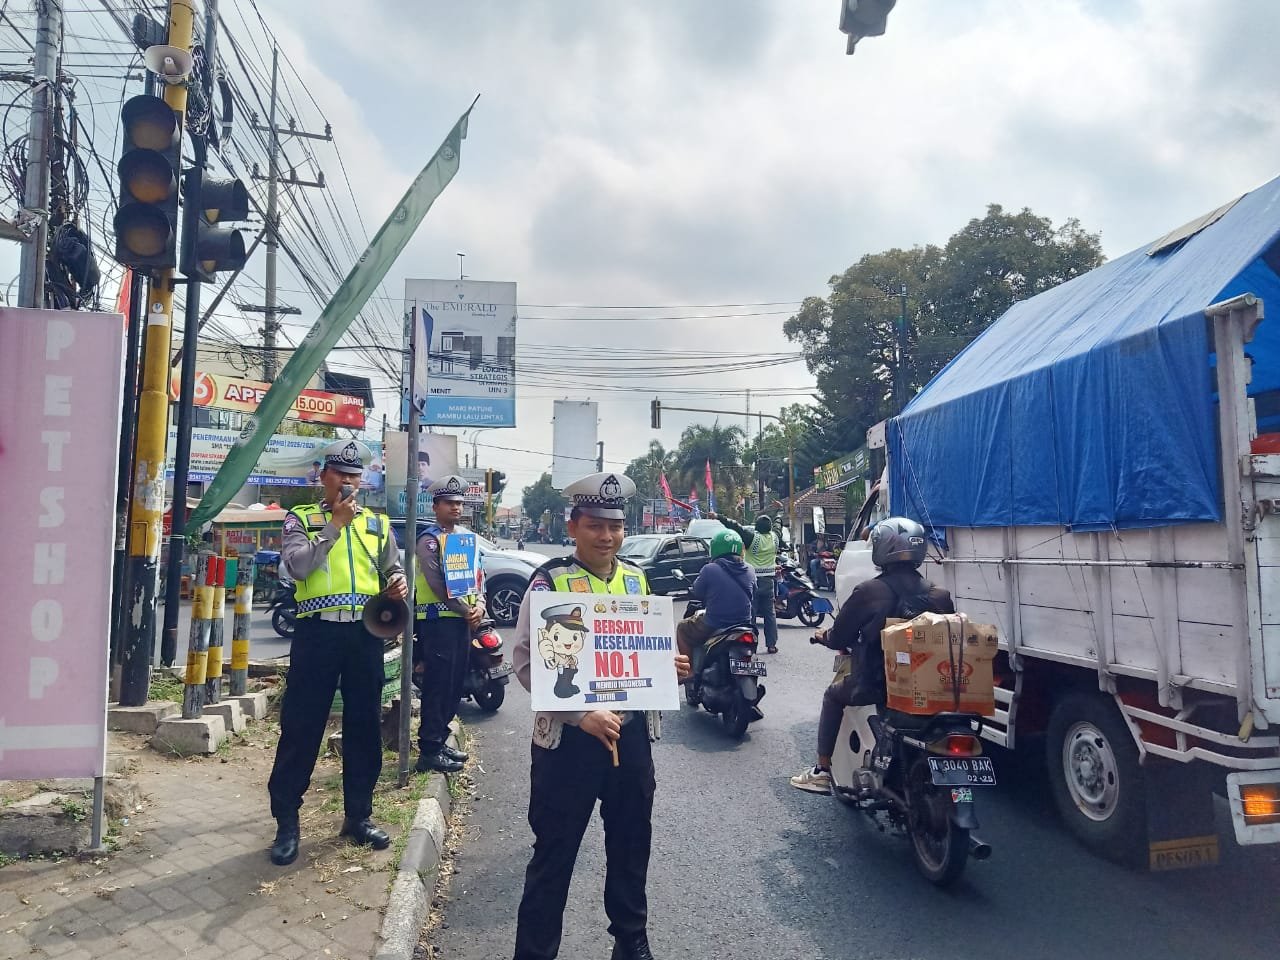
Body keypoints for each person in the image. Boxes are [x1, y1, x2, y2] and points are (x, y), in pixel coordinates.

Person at [511, 471, 691, 960]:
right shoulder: (550, 581)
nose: (606, 535)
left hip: (629, 739)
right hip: (568, 744)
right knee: (554, 854)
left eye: (614, 525)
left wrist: (668, 665)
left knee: (632, 847)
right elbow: (527, 663)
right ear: (573, 527)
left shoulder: (637, 578)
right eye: (594, 525)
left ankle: (631, 942)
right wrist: (579, 714)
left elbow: (643, 652)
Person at [267, 440, 408, 865]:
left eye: (354, 476)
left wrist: (398, 582)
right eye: (340, 475)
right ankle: (287, 822)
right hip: (317, 635)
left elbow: (393, 566)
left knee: (364, 726)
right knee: (302, 726)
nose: (348, 483)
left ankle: (358, 816)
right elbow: (297, 568)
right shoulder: (303, 520)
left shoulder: (378, 524)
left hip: (364, 636)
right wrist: (334, 527)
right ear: (322, 476)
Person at [789, 517, 954, 794]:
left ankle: (821, 770)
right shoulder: (940, 595)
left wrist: (824, 636)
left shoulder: (869, 592)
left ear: (881, 550)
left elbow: (840, 636)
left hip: (877, 684)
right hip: (936, 686)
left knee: (833, 695)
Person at [413, 474, 486, 774]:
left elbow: (480, 576)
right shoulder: (429, 540)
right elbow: (437, 582)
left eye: (459, 503)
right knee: (438, 686)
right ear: (436, 506)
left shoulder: (465, 539)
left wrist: (479, 605)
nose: (456, 508)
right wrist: (464, 609)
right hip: (437, 621)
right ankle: (428, 750)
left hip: (461, 621)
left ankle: (441, 740)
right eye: (449, 503)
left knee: (455, 685)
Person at [674, 529, 755, 678]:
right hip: (745, 625)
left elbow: (697, 591)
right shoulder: (750, 570)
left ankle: (690, 671)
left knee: (682, 628)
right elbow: (753, 593)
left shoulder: (710, 569)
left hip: (715, 623)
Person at [712, 512, 780, 654]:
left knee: (751, 613)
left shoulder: (751, 538)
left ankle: (751, 644)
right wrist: (778, 513)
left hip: (752, 580)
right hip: (769, 581)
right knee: (770, 614)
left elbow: (736, 527)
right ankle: (771, 645)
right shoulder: (775, 538)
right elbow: (778, 526)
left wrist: (719, 516)